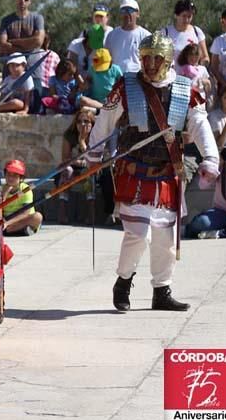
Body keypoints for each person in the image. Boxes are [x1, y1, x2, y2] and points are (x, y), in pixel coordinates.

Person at [88, 32, 219, 312]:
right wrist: (94, 153)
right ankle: (123, 281)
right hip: (135, 172)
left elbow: (200, 125)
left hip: (168, 173)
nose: (149, 64)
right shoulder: (128, 86)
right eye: (145, 58)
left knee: (165, 237)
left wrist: (211, 158)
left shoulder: (185, 89)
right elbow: (106, 120)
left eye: (156, 58)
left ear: (168, 59)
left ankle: (162, 290)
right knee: (138, 233)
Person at [0, 0, 46, 104]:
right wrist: (28, 43)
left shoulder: (37, 18)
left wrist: (14, 42)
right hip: (10, 72)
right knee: (8, 105)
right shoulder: (6, 20)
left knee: (34, 108)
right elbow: (2, 44)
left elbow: (38, 41)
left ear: (30, 1)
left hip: (33, 69)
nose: (22, 1)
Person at [0, 159, 43, 235]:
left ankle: (9, 230)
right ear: (5, 175)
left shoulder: (26, 189)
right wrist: (4, 195)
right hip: (5, 219)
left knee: (37, 217)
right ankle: (19, 230)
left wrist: (6, 223)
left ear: (21, 178)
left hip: (21, 219)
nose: (11, 178)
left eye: (15, 175)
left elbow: (25, 213)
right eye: (8, 174)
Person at [104, 0, 151, 73]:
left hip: (138, 80)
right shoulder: (112, 35)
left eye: (130, 10)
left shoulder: (146, 36)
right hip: (117, 80)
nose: (126, 14)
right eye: (123, 10)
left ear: (138, 13)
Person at [162, 0, 208, 65]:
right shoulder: (165, 33)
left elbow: (205, 57)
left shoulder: (197, 32)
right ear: (176, 15)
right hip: (173, 74)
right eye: (184, 16)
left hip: (193, 74)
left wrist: (198, 66)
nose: (186, 20)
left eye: (189, 17)